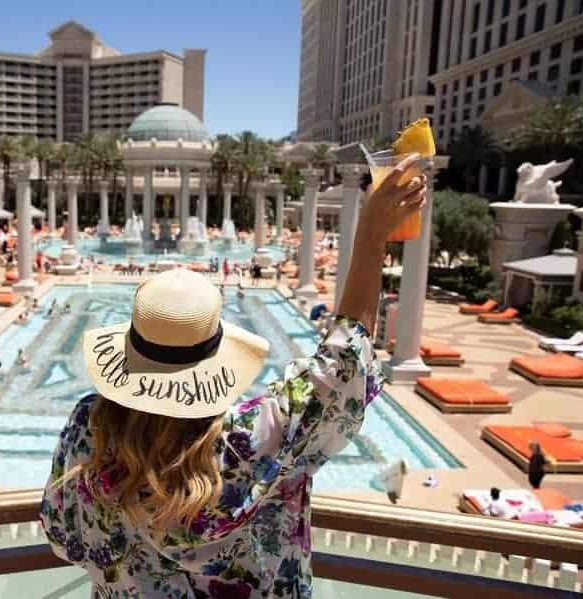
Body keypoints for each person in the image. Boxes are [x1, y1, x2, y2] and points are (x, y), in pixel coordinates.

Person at [40, 154, 426, 597]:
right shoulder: (260, 440)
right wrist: (373, 234)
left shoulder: (88, 428)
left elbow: (64, 538)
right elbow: (345, 365)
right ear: (218, 357)